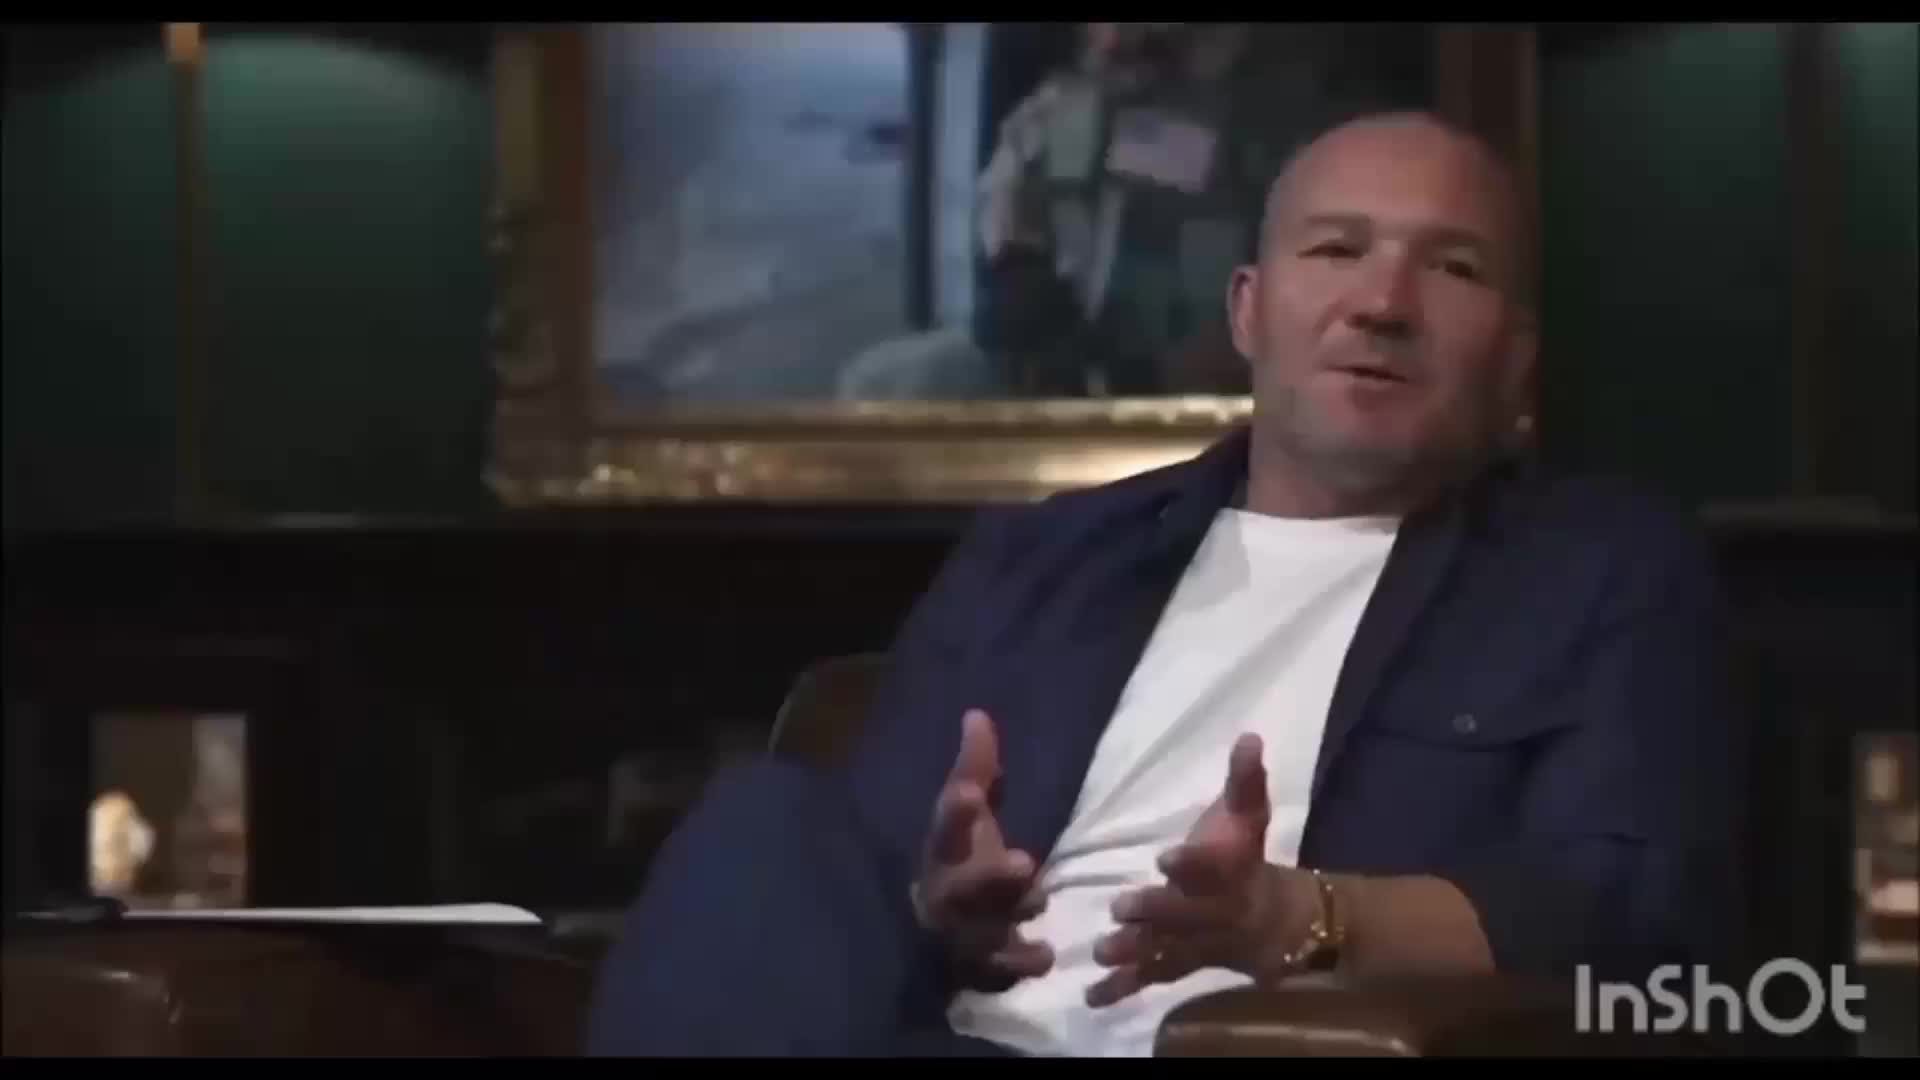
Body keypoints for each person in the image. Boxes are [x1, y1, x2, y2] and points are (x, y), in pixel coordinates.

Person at [583, 109, 1737, 1057]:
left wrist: (1296, 914)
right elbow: (871, 888)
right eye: (1336, 250)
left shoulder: (1599, 571)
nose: (1384, 303)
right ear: (1248, 310)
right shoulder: (1044, 555)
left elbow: (1622, 919)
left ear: (1516, 357)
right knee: (762, 822)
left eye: (1453, 267)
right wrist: (942, 907)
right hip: (932, 1035)